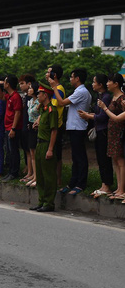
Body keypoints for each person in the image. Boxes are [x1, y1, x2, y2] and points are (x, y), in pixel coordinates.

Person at [49, 68, 91, 196]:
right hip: (74, 127)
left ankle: (80, 184)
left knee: (80, 157)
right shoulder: (79, 91)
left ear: (77, 78)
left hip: (78, 127)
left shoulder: (81, 92)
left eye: (72, 77)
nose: (70, 79)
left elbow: (61, 102)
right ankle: (73, 182)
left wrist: (54, 87)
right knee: (75, 157)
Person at [78, 74, 113, 198]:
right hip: (99, 130)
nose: (92, 84)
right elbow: (98, 114)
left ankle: (107, 185)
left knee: (104, 159)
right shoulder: (100, 96)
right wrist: (89, 114)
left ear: (100, 84)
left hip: (103, 131)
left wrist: (88, 116)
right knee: (100, 158)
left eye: (94, 82)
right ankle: (104, 184)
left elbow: (103, 117)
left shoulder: (107, 97)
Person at [29, 83, 58, 213]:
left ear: (45, 95)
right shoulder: (44, 110)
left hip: (47, 144)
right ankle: (41, 201)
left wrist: (50, 149)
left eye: (39, 93)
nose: (38, 95)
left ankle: (49, 203)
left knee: (48, 176)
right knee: (40, 175)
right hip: (39, 143)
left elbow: (54, 131)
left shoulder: (52, 110)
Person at [96, 73, 125, 202]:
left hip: (119, 132)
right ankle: (119, 188)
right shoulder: (114, 97)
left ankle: (122, 189)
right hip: (112, 132)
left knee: (120, 161)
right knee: (115, 160)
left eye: (109, 81)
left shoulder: (122, 98)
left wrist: (104, 108)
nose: (107, 84)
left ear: (116, 84)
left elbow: (117, 118)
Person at [2, 75, 23, 182]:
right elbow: (0, 96)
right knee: (9, 151)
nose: (3, 83)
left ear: (8, 84)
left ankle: (14, 172)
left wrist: (13, 128)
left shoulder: (16, 97)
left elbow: (18, 112)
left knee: (13, 150)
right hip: (7, 127)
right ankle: (10, 171)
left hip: (12, 128)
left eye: (5, 82)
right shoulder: (8, 96)